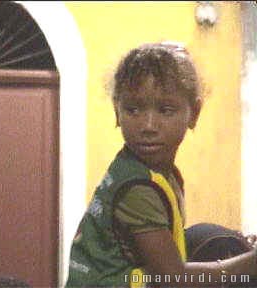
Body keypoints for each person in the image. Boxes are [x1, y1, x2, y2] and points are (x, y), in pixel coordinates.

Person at [65, 42, 257, 287]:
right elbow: (172, 279)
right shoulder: (138, 189)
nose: (148, 125)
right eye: (133, 109)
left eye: (165, 110)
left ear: (194, 113)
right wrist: (248, 264)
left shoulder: (157, 174)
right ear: (117, 110)